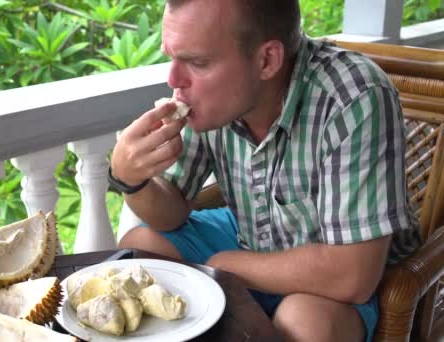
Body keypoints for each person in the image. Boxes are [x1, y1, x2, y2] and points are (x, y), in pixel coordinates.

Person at [108, 0, 421, 341]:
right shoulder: (218, 101)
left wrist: (225, 267)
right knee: (141, 248)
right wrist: (130, 179)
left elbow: (353, 275)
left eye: (197, 62)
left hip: (340, 277)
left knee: (305, 322)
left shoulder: (353, 97)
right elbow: (170, 213)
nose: (174, 79)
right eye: (171, 56)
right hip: (249, 239)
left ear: (267, 59)